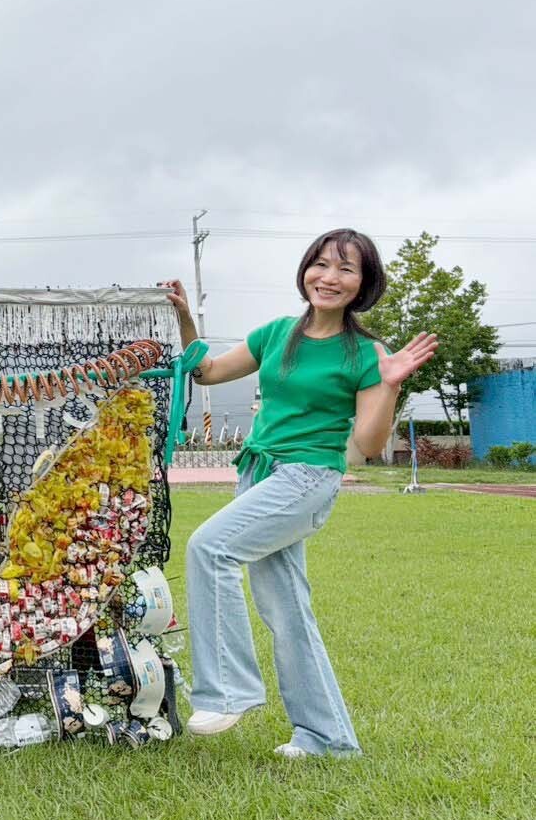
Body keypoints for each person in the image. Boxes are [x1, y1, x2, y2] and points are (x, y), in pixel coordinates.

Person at [163, 228, 437, 758]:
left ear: (363, 284)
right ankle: (328, 738)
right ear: (306, 269)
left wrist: (391, 385)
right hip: (259, 473)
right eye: (321, 264)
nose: (329, 277)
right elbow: (209, 372)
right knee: (287, 608)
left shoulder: (367, 353)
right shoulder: (276, 334)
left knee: (210, 547)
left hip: (307, 477)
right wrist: (184, 319)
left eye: (346, 269)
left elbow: (368, 443)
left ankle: (228, 691)